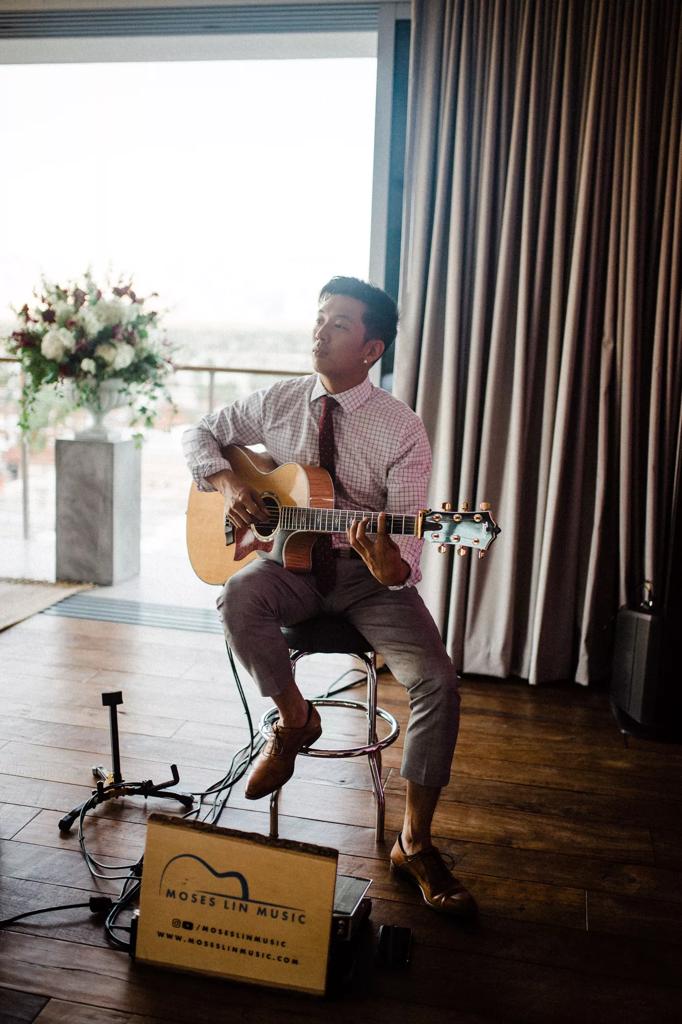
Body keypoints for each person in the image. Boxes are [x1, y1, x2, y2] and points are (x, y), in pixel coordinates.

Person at [183, 276, 475, 918]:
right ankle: (295, 721)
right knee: (237, 595)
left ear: (371, 349)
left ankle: (414, 842)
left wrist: (384, 557)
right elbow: (198, 434)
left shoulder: (402, 430)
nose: (320, 331)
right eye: (319, 318)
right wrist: (235, 487)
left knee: (437, 683)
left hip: (366, 579)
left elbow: (404, 569)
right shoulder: (280, 400)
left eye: (338, 324)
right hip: (289, 567)